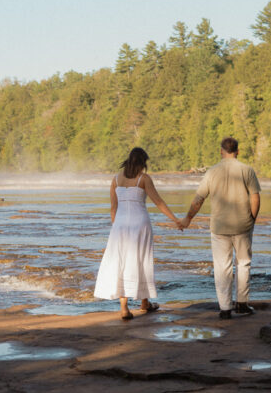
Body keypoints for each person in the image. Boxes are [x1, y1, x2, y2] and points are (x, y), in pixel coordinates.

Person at [94, 147, 184, 320]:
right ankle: (144, 303)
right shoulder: (144, 178)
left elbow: (113, 208)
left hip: (120, 226)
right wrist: (175, 219)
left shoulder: (116, 179)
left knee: (121, 261)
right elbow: (158, 201)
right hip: (139, 224)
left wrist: (117, 226)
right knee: (140, 260)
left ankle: (125, 308)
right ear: (142, 163)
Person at [183, 137, 261, 319]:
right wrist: (252, 219)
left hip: (219, 227)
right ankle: (242, 305)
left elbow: (198, 199)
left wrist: (187, 218)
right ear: (238, 151)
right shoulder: (247, 170)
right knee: (243, 264)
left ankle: (225, 309)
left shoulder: (211, 172)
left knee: (222, 267)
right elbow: (255, 197)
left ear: (221, 151)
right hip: (243, 224)